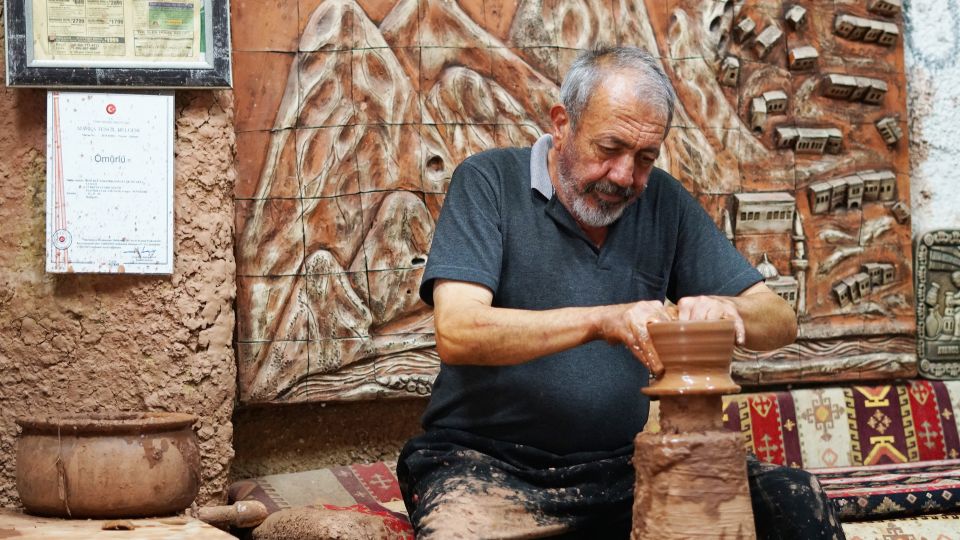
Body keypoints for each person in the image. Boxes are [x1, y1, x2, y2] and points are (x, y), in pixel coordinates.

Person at [398, 47, 844, 539]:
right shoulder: (488, 182)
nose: (624, 177)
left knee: (795, 499)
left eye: (645, 158)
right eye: (608, 149)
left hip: (619, 468)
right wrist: (602, 321)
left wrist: (729, 307)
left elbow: (779, 319)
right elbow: (459, 331)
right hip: (485, 466)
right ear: (563, 123)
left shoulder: (664, 203)